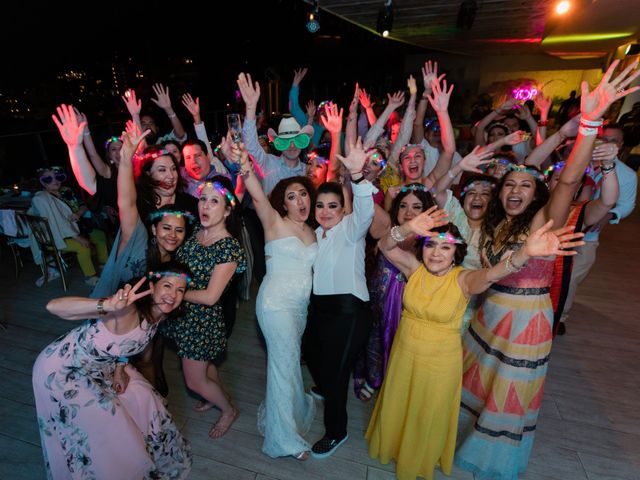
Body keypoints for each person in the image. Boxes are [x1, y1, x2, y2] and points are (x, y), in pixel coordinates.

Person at [455, 59, 639, 480]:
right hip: (490, 313)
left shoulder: (544, 221)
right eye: (509, 185)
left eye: (525, 186)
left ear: (538, 195)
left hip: (527, 321)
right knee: (480, 383)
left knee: (508, 394)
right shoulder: (495, 222)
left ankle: (491, 460)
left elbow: (570, 181)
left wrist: (588, 125)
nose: (516, 190)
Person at [366, 211, 583, 480]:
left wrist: (524, 253)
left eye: (445, 247)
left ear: (456, 252)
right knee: (400, 401)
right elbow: (386, 245)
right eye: (431, 245)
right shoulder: (414, 269)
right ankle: (395, 445)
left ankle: (417, 458)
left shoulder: (463, 280)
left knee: (427, 411)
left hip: (439, 363)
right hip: (404, 354)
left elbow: (492, 274)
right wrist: (408, 226)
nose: (436, 253)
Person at [33, 266, 192, 480]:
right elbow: (53, 306)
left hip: (101, 366)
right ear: (152, 287)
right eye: (167, 286)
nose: (173, 295)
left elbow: (127, 344)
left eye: (180, 290)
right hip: (62, 370)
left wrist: (120, 369)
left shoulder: (159, 314)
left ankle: (151, 461)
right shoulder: (126, 311)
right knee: (108, 422)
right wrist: (107, 305)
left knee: (144, 396)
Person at [229, 141, 318, 460]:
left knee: (288, 363)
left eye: (303, 193)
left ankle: (292, 407)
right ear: (283, 203)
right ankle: (286, 440)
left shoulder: (313, 230)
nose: (299, 200)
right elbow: (254, 191)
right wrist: (244, 163)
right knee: (283, 366)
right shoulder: (274, 223)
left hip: (299, 309)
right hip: (275, 307)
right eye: (291, 197)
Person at [302, 138, 376, 458]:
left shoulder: (351, 228)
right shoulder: (316, 234)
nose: (326, 211)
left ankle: (337, 431)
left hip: (350, 312)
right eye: (321, 205)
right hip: (321, 309)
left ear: (343, 207)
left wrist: (357, 176)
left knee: (335, 373)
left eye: (333, 205)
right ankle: (327, 385)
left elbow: (365, 209)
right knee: (313, 355)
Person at [160, 180, 246, 439]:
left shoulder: (228, 248)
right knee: (204, 368)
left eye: (214, 201)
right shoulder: (197, 230)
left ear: (228, 210)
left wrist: (175, 294)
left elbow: (210, 297)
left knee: (193, 381)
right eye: (203, 199)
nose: (205, 206)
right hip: (184, 316)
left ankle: (228, 409)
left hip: (202, 322)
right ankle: (215, 394)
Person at [29, 165, 108, 286]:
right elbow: (54, 224)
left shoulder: (66, 191)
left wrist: (78, 213)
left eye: (57, 177)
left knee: (100, 236)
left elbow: (83, 205)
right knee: (83, 246)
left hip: (76, 229)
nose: (55, 181)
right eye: (48, 179)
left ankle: (105, 266)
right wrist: (77, 237)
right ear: (42, 183)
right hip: (56, 237)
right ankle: (90, 277)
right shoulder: (41, 199)